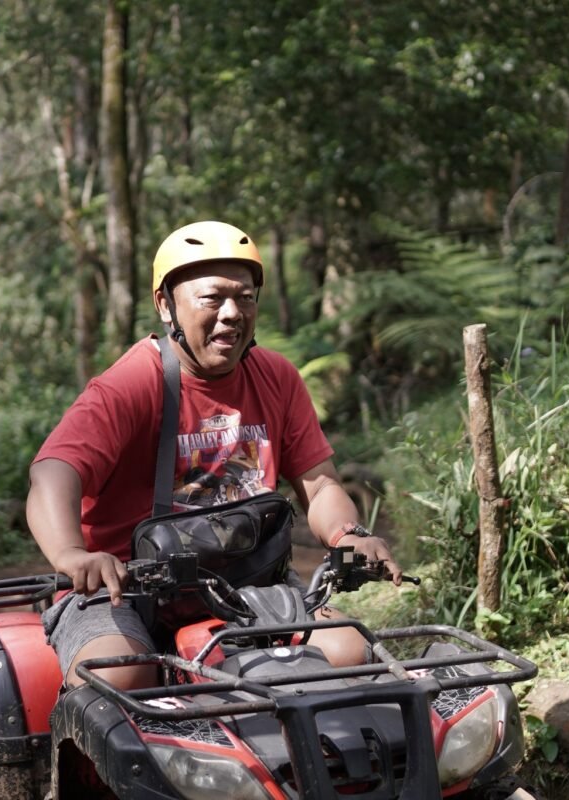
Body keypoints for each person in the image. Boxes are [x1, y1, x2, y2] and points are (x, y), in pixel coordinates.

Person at [26, 220, 402, 690]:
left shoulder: (277, 378)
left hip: (246, 584)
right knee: (116, 676)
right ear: (166, 306)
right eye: (213, 298)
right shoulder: (133, 382)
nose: (232, 313)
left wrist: (349, 534)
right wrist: (72, 554)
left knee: (347, 652)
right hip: (122, 590)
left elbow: (320, 482)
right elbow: (54, 471)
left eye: (245, 298)